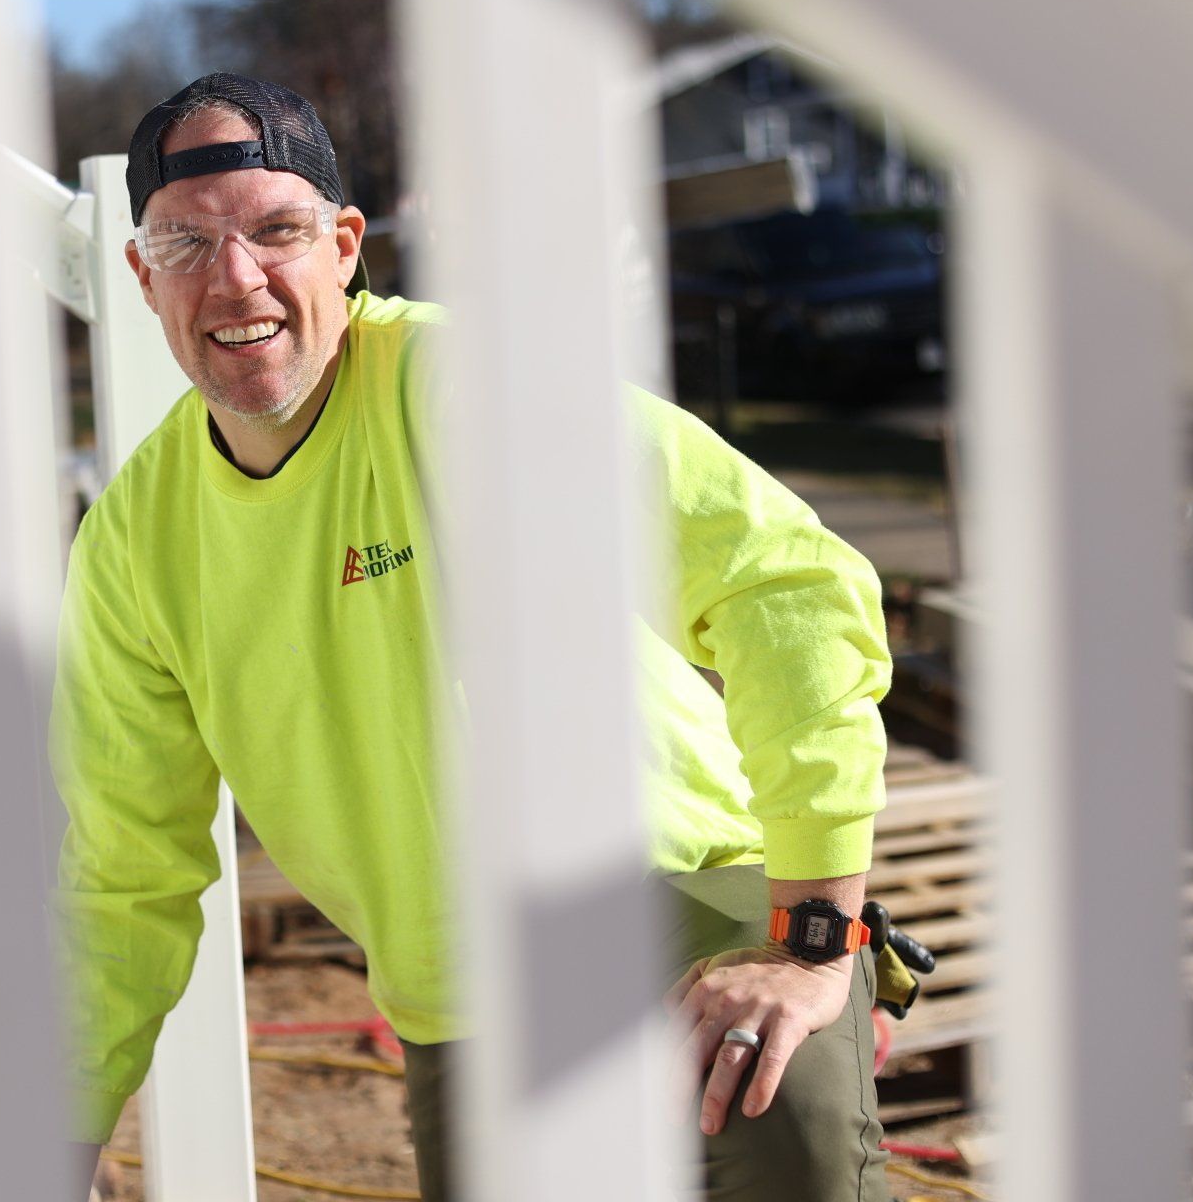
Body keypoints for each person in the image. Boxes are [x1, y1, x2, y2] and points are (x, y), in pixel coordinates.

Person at [51, 73, 893, 1201]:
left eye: (277, 230)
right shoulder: (134, 543)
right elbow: (124, 874)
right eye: (188, 243)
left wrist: (810, 936)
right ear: (141, 276)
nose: (238, 277)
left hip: (683, 896)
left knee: (778, 1107)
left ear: (346, 245)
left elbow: (785, 577)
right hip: (466, 996)